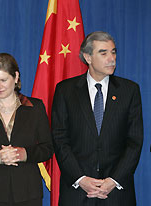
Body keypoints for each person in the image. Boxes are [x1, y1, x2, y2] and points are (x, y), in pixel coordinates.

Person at [52, 31, 143, 205]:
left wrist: (113, 180)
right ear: (88, 57)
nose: (111, 58)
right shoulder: (65, 91)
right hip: (77, 192)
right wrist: (81, 179)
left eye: (113, 52)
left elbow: (135, 141)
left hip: (117, 193)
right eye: (104, 53)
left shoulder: (129, 90)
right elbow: (60, 139)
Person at [0, 53, 53, 206]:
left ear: (15, 77)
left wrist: (24, 154)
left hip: (28, 192)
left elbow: (47, 148)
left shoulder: (35, 107)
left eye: (3, 80)